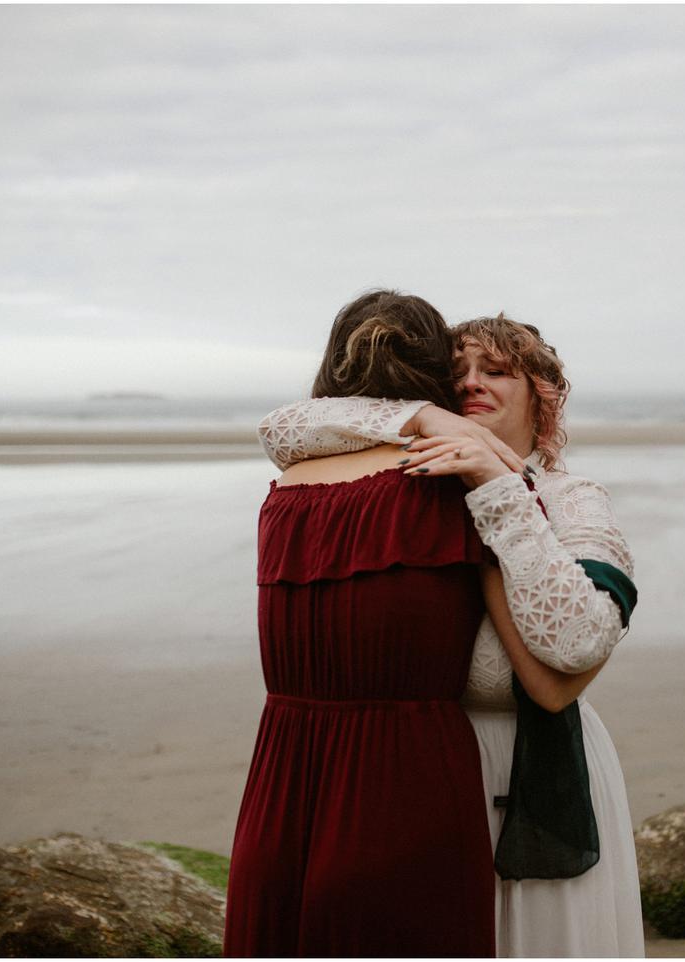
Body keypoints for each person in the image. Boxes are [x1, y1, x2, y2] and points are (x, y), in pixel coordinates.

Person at [257, 313, 645, 957]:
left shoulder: (574, 499)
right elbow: (280, 428)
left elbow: (577, 642)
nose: (472, 385)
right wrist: (424, 420)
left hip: (533, 772)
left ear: (543, 398)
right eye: (455, 373)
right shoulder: (414, 476)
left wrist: (498, 486)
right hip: (417, 767)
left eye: (496, 372)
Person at [223, 291, 499, 957]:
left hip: (280, 797)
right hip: (407, 792)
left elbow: (293, 427)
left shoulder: (285, 492)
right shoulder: (448, 482)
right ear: (435, 378)